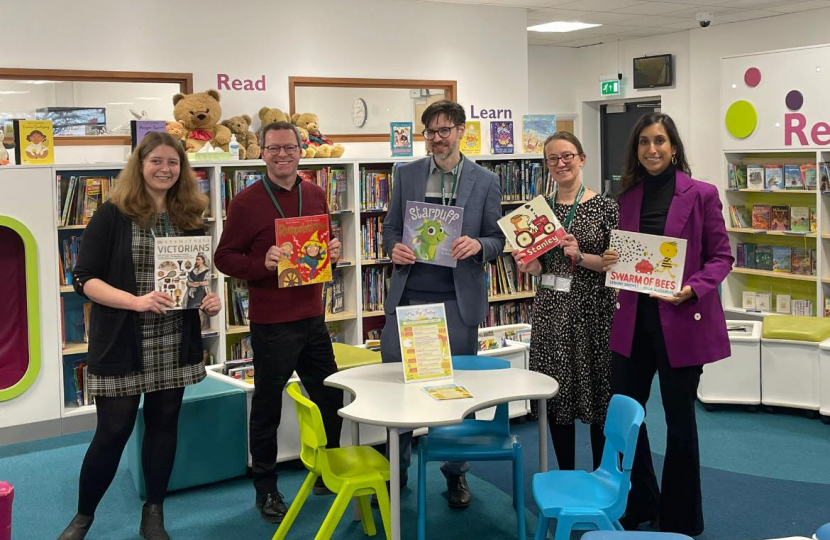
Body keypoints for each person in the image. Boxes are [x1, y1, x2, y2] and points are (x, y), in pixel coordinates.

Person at [57, 132, 222, 540]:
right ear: (140, 165)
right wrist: (134, 301)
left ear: (182, 169)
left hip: (174, 337)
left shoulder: (189, 215)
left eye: (173, 162)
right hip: (123, 339)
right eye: (157, 161)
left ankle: (154, 512)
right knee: (112, 432)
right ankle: (83, 517)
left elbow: (195, 275)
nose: (165, 169)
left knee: (165, 425)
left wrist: (208, 298)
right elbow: (84, 280)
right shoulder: (113, 213)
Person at [602, 112, 733, 536]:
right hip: (632, 323)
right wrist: (612, 260)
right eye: (643, 142)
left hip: (679, 322)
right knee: (626, 418)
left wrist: (693, 287)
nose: (652, 149)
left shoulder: (702, 194)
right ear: (636, 150)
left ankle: (680, 517)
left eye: (659, 141)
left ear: (673, 147)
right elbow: (626, 257)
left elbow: (721, 257)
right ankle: (639, 499)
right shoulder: (627, 197)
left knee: (680, 423)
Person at [214, 121, 344, 524]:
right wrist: (261, 262)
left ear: (301, 151)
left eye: (289, 147)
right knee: (268, 408)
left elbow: (318, 249)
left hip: (313, 317)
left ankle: (327, 471)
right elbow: (224, 258)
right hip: (272, 323)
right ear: (262, 153)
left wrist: (332, 251)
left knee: (330, 399)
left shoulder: (316, 192)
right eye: (274, 149)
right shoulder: (246, 202)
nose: (282, 155)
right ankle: (266, 487)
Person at [380, 100, 505, 508]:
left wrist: (479, 245)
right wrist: (393, 248)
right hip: (410, 297)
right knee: (397, 390)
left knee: (456, 393)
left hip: (457, 301)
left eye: (444, 130)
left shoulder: (485, 181)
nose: (437, 138)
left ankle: (455, 474)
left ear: (461, 131)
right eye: (430, 131)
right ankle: (396, 470)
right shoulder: (407, 173)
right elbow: (392, 227)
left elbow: (498, 239)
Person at [513, 132, 618, 472]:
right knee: (558, 397)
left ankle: (602, 477)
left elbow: (617, 265)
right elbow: (541, 266)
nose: (561, 164)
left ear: (582, 158)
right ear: (547, 165)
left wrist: (581, 255)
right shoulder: (538, 210)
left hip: (594, 312)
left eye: (567, 156)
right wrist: (531, 266)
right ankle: (567, 477)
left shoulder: (605, 207)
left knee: (599, 394)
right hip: (552, 313)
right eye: (553, 159)